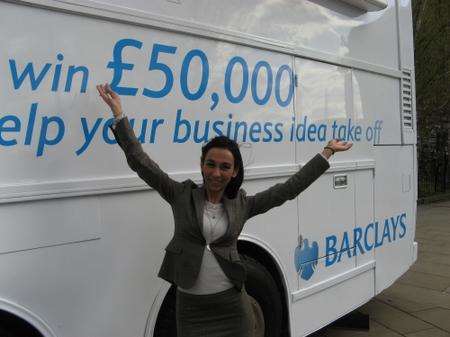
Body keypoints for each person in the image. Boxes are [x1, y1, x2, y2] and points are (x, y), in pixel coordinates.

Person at [96, 83, 352, 337]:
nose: (216, 172)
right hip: (191, 310)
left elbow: (287, 189)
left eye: (225, 167)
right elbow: (142, 163)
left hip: (233, 307)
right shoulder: (180, 194)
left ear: (234, 172)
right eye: (211, 164)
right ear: (202, 165)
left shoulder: (243, 204)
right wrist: (119, 115)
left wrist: (326, 153)